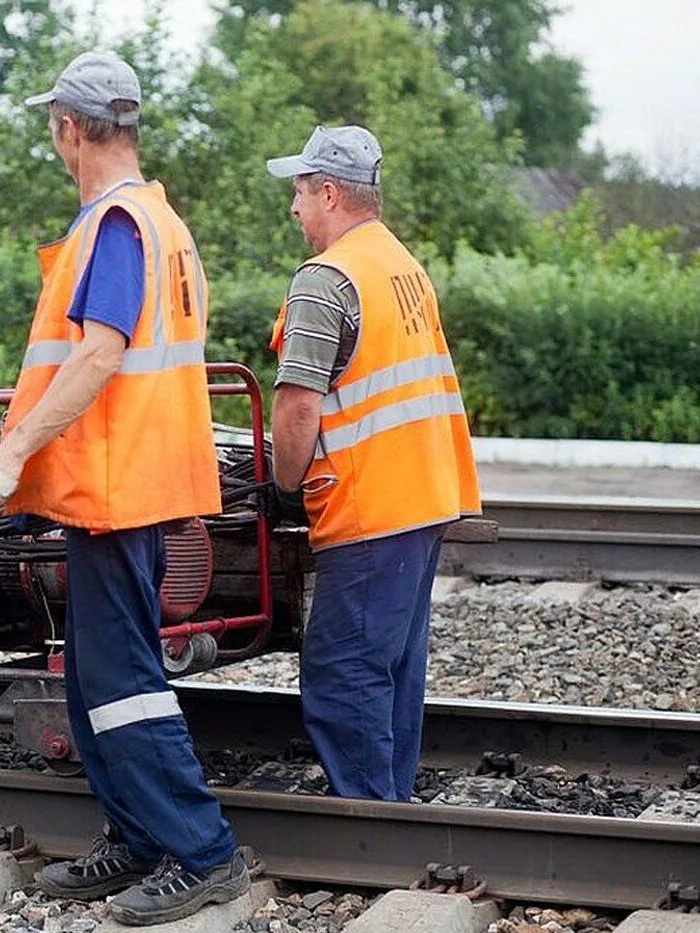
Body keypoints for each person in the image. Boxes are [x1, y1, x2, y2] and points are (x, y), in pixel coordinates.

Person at [0, 52, 249, 927]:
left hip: (119, 483)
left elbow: (100, 353)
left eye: (54, 127)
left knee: (123, 681)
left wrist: (5, 462)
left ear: (70, 128)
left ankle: (202, 851)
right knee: (91, 676)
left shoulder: (115, 224)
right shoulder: (158, 220)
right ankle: (139, 834)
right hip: (126, 481)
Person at [264, 125, 481, 801]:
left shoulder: (325, 280)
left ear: (328, 192)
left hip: (368, 504)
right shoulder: (398, 261)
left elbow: (299, 406)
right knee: (392, 668)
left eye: (300, 192)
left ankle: (372, 823)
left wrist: (283, 485)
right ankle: (394, 802)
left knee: (343, 673)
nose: (295, 208)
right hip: (424, 493)